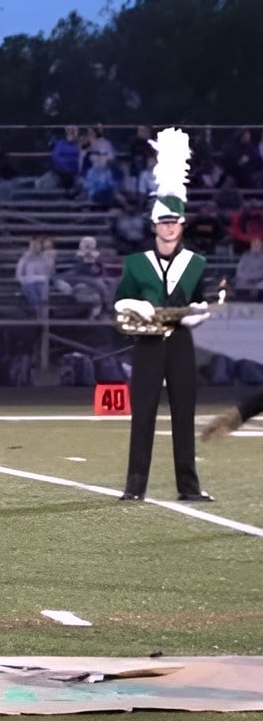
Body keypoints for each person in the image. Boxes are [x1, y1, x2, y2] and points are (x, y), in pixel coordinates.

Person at [114, 129, 212, 503]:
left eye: (175, 222)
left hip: (181, 343)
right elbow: (118, 302)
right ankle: (134, 487)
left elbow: (202, 301)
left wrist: (198, 313)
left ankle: (189, 487)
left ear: (181, 225)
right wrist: (134, 306)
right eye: (163, 222)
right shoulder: (135, 263)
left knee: (184, 414)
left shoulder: (196, 263)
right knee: (143, 415)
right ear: (155, 225)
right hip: (148, 344)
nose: (169, 227)